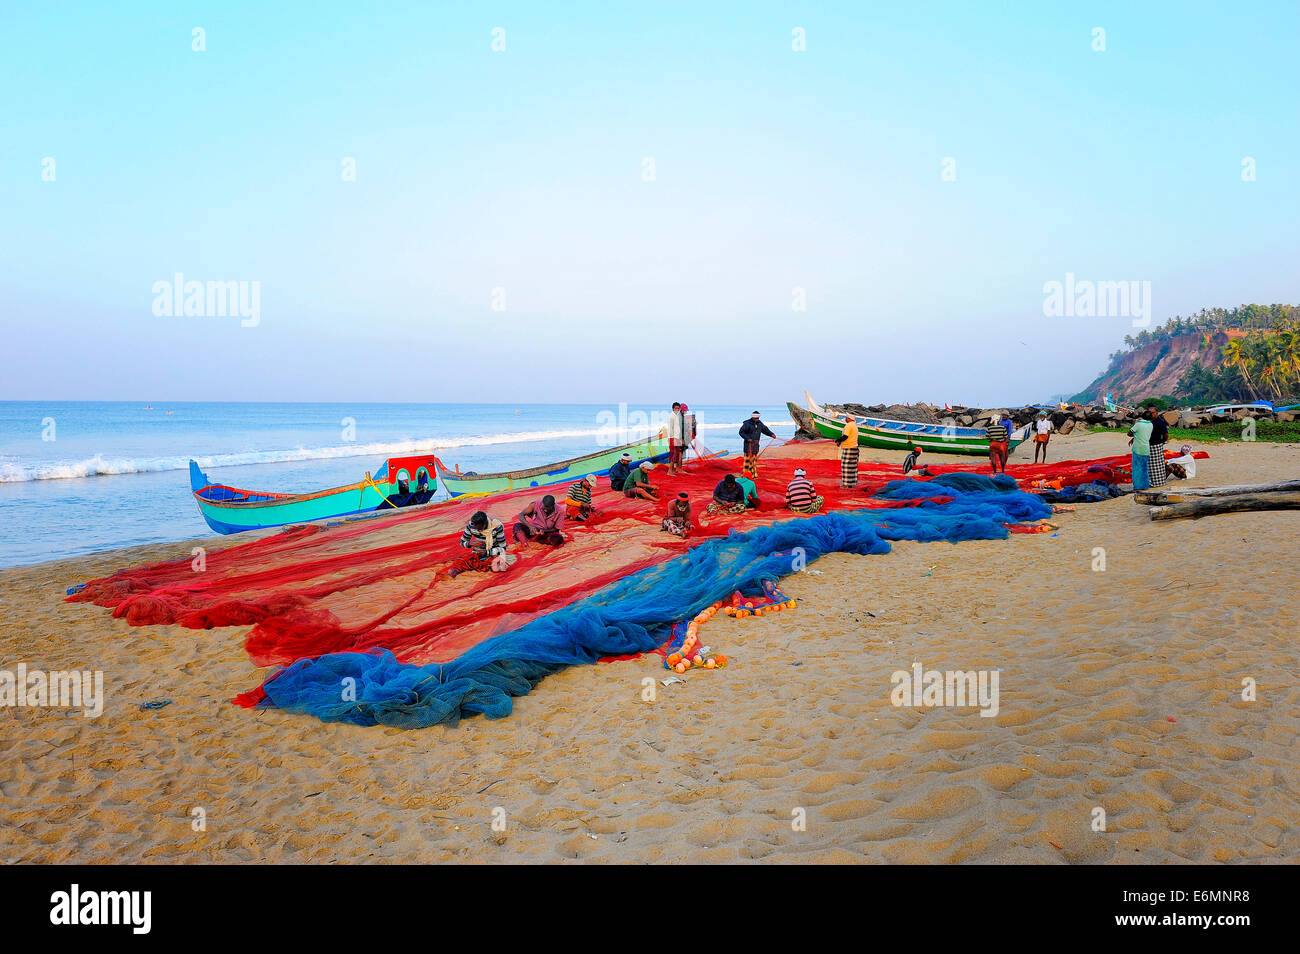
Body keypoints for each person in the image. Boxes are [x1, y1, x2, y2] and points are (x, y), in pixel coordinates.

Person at [448, 510, 513, 577]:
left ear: (485, 524)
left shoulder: (497, 527)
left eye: (480, 528)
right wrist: (471, 543)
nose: (478, 530)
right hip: (477, 554)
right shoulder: (471, 526)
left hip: (492, 554)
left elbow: (503, 548)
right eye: (476, 528)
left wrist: (487, 552)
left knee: (498, 567)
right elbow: (462, 542)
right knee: (460, 564)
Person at [738, 411, 776, 478]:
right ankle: (746, 475)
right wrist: (747, 438)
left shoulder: (759, 423)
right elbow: (741, 432)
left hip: (755, 445)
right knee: (747, 460)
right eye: (755, 418)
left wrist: (771, 434)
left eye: (758, 418)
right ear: (752, 417)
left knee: (754, 460)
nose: (757, 419)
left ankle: (753, 474)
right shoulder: (747, 424)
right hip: (748, 445)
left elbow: (765, 430)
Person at [1128, 414, 1154, 491]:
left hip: (1138, 449)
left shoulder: (1138, 424)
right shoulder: (1151, 425)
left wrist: (1135, 436)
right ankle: (1145, 486)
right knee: (1144, 469)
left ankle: (1137, 487)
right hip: (1146, 449)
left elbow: (1129, 433)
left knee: (1136, 469)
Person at [662, 402, 688, 475]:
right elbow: (671, 429)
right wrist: (674, 439)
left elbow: (678, 429)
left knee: (676, 454)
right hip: (673, 438)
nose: (677, 409)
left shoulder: (677, 416)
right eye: (675, 408)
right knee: (673, 454)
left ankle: (673, 470)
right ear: (673, 409)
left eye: (678, 408)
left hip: (677, 437)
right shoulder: (671, 416)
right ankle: (670, 471)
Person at [1147, 408, 1170, 488]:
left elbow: (1166, 434)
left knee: (1158, 465)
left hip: (1157, 445)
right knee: (1150, 465)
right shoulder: (1148, 421)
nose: (1151, 414)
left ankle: (1158, 482)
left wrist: (1162, 441)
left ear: (1156, 413)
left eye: (1153, 413)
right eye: (1150, 413)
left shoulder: (1160, 422)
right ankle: (1151, 482)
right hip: (1148, 445)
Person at [838, 414, 860, 488]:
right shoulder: (854, 425)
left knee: (846, 466)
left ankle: (846, 484)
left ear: (849, 418)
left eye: (846, 418)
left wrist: (838, 440)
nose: (845, 419)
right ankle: (851, 484)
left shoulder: (849, 425)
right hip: (855, 448)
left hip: (849, 448)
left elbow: (845, 436)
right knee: (853, 467)